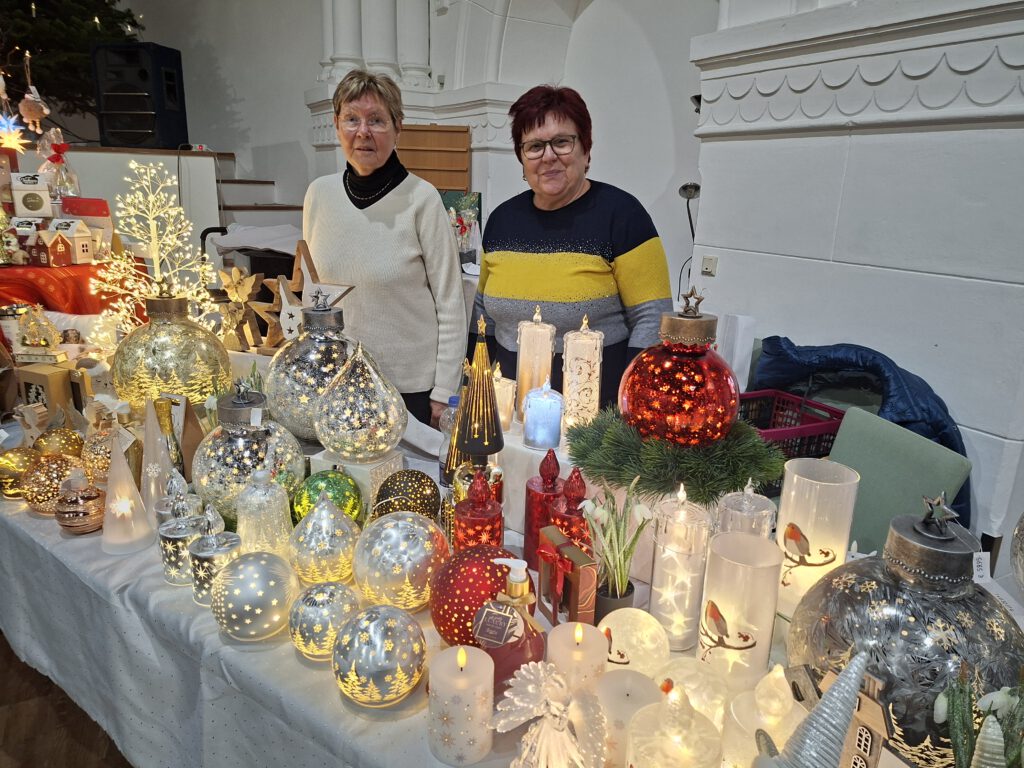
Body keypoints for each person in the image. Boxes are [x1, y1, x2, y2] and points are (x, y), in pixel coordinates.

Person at [476, 85, 673, 408]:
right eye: (535, 146)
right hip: (506, 412)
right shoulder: (502, 221)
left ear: (586, 150)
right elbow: (483, 313)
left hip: (593, 417)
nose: (549, 156)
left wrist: (630, 404)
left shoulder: (622, 215)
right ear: (521, 158)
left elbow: (652, 319)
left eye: (562, 142)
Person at [304, 70, 467, 428]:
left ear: (397, 127)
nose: (363, 132)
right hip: (336, 382)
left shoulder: (422, 200)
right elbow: (313, 292)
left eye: (376, 120)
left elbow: (451, 302)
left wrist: (443, 391)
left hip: (409, 388)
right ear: (336, 125)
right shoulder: (319, 194)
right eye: (351, 119)